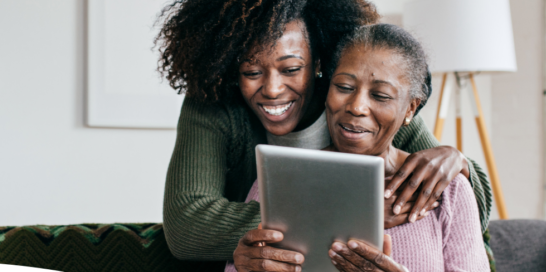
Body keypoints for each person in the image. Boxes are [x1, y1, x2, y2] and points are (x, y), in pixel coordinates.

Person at [156, 0, 492, 264]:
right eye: (252, 71)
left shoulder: (365, 103)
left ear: (319, 61)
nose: (272, 89)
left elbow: (463, 206)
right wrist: (352, 213)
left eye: (291, 69)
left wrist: (456, 160)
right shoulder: (215, 104)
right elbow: (187, 227)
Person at [230, 24, 490, 272]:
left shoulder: (450, 191)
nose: (356, 106)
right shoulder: (280, 178)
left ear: (410, 108)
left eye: (380, 96)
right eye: (344, 87)